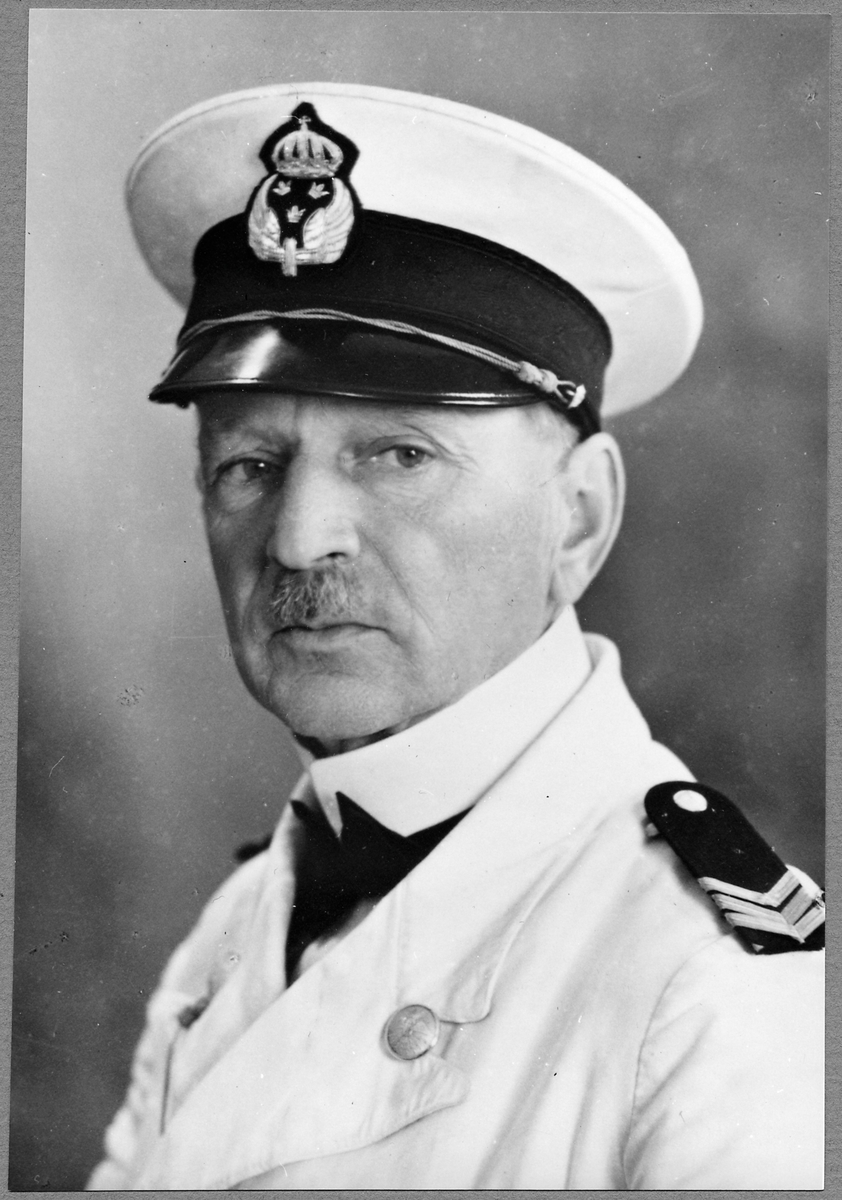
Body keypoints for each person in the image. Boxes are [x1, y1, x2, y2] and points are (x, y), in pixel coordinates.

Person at [88, 83, 824, 1190]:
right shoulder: (239, 925)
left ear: (577, 518)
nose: (298, 539)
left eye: (399, 455)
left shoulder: (708, 982)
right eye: (250, 463)